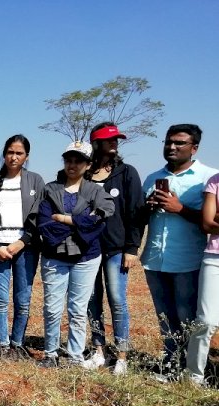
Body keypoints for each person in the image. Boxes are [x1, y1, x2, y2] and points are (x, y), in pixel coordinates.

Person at [141, 124, 217, 374]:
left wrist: (179, 208)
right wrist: (148, 206)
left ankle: (190, 367)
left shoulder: (208, 177)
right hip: (154, 259)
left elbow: (210, 221)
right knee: (164, 318)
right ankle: (171, 363)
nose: (171, 147)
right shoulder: (152, 178)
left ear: (194, 148)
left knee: (188, 318)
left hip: (188, 260)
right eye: (168, 142)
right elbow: (139, 217)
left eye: (179, 143)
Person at [38, 141, 115, 367]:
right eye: (68, 160)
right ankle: (50, 353)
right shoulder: (50, 189)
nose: (72, 165)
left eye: (78, 160)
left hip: (86, 257)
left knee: (78, 309)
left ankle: (74, 356)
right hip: (54, 256)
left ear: (88, 164)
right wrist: (81, 223)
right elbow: (43, 222)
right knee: (52, 308)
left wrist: (65, 219)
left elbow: (100, 219)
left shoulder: (96, 191)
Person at [83, 123, 145, 375]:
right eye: (108, 140)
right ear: (96, 144)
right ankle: (98, 350)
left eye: (116, 139)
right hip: (87, 248)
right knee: (92, 299)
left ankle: (121, 356)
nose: (114, 143)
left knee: (117, 300)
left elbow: (136, 212)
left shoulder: (126, 173)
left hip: (116, 248)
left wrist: (131, 247)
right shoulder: (85, 175)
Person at [0, 135, 45, 359]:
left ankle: (18, 343)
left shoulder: (35, 181)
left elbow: (38, 218)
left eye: (19, 153)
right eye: (10, 152)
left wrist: (21, 242)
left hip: (25, 248)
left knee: (22, 300)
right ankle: (3, 346)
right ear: (4, 153)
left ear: (27, 157)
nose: (13, 157)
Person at [186, 171, 219, 385]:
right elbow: (207, 222)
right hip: (214, 258)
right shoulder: (215, 181)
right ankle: (193, 376)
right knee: (205, 321)